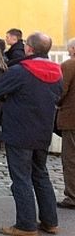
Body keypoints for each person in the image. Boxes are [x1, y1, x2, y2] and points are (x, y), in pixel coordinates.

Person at [0, 32, 62, 236]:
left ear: (29, 48)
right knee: (41, 175)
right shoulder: (57, 71)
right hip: (42, 129)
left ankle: (26, 224)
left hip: (19, 129)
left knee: (21, 178)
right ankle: (50, 221)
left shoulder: (20, 70)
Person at [57, 37, 75, 209]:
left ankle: (72, 196)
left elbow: (61, 90)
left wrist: (56, 103)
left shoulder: (69, 65)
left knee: (70, 158)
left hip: (71, 118)